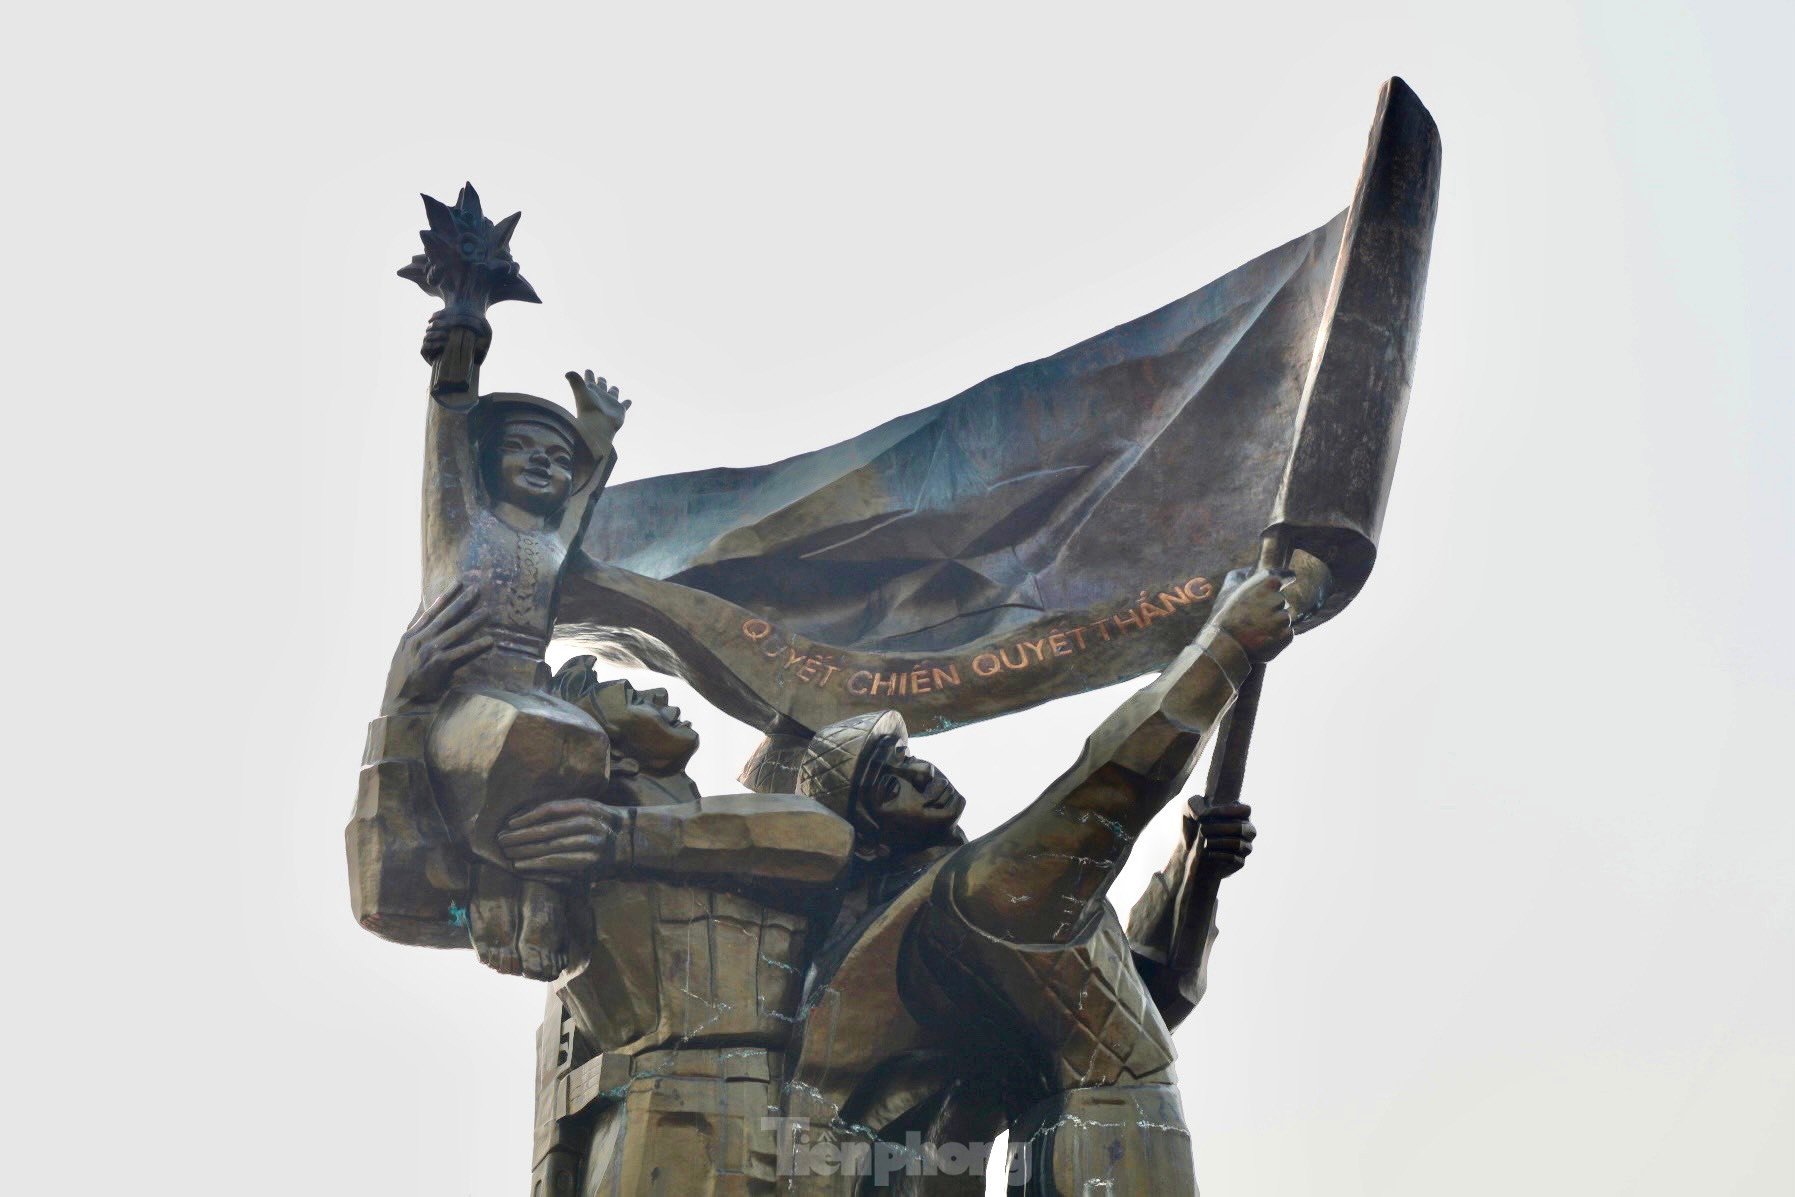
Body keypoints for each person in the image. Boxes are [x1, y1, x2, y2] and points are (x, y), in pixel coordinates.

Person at [775, 568, 1296, 1195]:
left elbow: (1147, 1003)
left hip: (1092, 1136)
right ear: (876, 841)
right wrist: (1225, 646)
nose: (920, 775)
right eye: (890, 786)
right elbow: (1110, 786)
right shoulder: (976, 893)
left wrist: (1194, 873)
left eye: (906, 757)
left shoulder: (970, 903)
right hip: (1104, 1138)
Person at [404, 304, 628, 980]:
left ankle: (541, 890)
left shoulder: (550, 543)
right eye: (521, 448)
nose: (542, 464)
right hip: (468, 701)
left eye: (556, 458)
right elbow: (445, 441)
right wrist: (457, 360)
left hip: (534, 706)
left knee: (583, 747)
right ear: (486, 460)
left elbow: (583, 494)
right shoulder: (461, 527)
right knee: (521, 742)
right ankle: (496, 886)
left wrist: (598, 431)